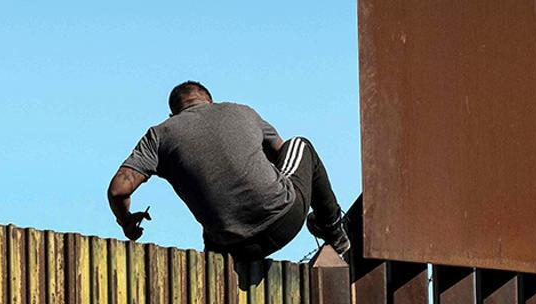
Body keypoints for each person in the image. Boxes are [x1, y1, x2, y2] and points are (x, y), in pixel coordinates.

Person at [107, 80, 355, 262]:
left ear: (173, 114)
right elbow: (282, 154)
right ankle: (333, 230)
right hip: (285, 220)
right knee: (299, 145)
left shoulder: (160, 135)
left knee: (212, 215)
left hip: (233, 249)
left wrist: (126, 222)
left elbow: (119, 189)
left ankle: (219, 283)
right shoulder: (240, 111)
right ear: (210, 101)